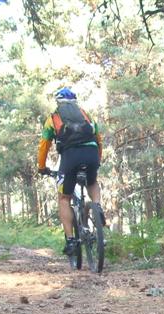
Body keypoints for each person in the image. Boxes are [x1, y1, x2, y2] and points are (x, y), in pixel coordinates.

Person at [37, 87, 103, 255]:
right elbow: (98, 138)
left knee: (64, 198)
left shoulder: (53, 118)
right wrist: (98, 159)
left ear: (58, 102)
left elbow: (44, 145)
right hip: (91, 153)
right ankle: (97, 207)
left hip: (70, 157)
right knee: (92, 182)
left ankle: (71, 240)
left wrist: (42, 167)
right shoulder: (86, 114)